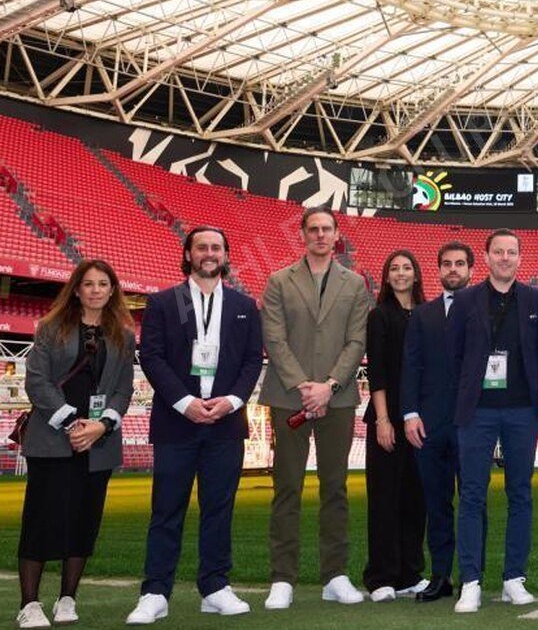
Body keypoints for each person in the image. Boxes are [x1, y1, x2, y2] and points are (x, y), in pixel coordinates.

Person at [125, 227, 265, 624]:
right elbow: (151, 357)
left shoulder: (243, 305)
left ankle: (215, 586)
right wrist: (185, 403)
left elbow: (252, 360)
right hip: (177, 422)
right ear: (188, 254)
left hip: (225, 423)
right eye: (201, 247)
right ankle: (155, 592)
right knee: (166, 509)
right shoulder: (165, 302)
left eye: (216, 247)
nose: (209, 253)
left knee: (218, 509)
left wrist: (232, 401)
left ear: (225, 255)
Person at [260, 206, 372, 609]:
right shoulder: (279, 280)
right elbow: (274, 338)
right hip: (288, 396)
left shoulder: (355, 283)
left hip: (337, 398)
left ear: (337, 234)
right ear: (303, 235)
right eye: (314, 229)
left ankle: (335, 575)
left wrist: (329, 386)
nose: (321, 235)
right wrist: (303, 386)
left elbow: (357, 341)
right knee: (287, 487)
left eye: (327, 229)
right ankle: (282, 578)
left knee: (335, 488)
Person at [17, 260, 135, 629]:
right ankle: (29, 603)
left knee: (85, 521)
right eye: (88, 284)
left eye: (103, 284)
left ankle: (68, 597)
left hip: (98, 442)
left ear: (112, 290)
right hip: (53, 440)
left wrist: (101, 425)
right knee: (41, 520)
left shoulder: (123, 334)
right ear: (77, 289)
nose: (96, 290)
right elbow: (37, 382)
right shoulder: (51, 327)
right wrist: (72, 423)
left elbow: (123, 389)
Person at [446, 229, 538, 613]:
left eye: (511, 252)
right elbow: (454, 355)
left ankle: (513, 579)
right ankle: (471, 581)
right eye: (498, 252)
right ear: (487, 257)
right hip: (477, 411)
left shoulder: (536, 299)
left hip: (522, 410)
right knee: (472, 495)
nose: (505, 258)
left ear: (520, 258)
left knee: (520, 493)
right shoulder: (465, 300)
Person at [402, 241, 478, 603]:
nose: (453, 269)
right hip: (429, 425)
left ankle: (472, 577)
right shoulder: (422, 315)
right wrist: (410, 413)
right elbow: (411, 366)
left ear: (471, 269)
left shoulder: (483, 310)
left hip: (472, 422)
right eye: (447, 263)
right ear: (439, 269)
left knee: (473, 502)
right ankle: (441, 576)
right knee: (436, 503)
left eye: (460, 263)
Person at [362, 250, 428, 602]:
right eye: (394, 269)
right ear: (386, 277)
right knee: (385, 499)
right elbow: (378, 371)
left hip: (419, 421)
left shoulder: (427, 313)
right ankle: (381, 577)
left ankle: (409, 574)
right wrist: (384, 419)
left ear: (416, 274)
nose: (401, 273)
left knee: (415, 500)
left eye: (407, 268)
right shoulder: (379, 316)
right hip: (389, 418)